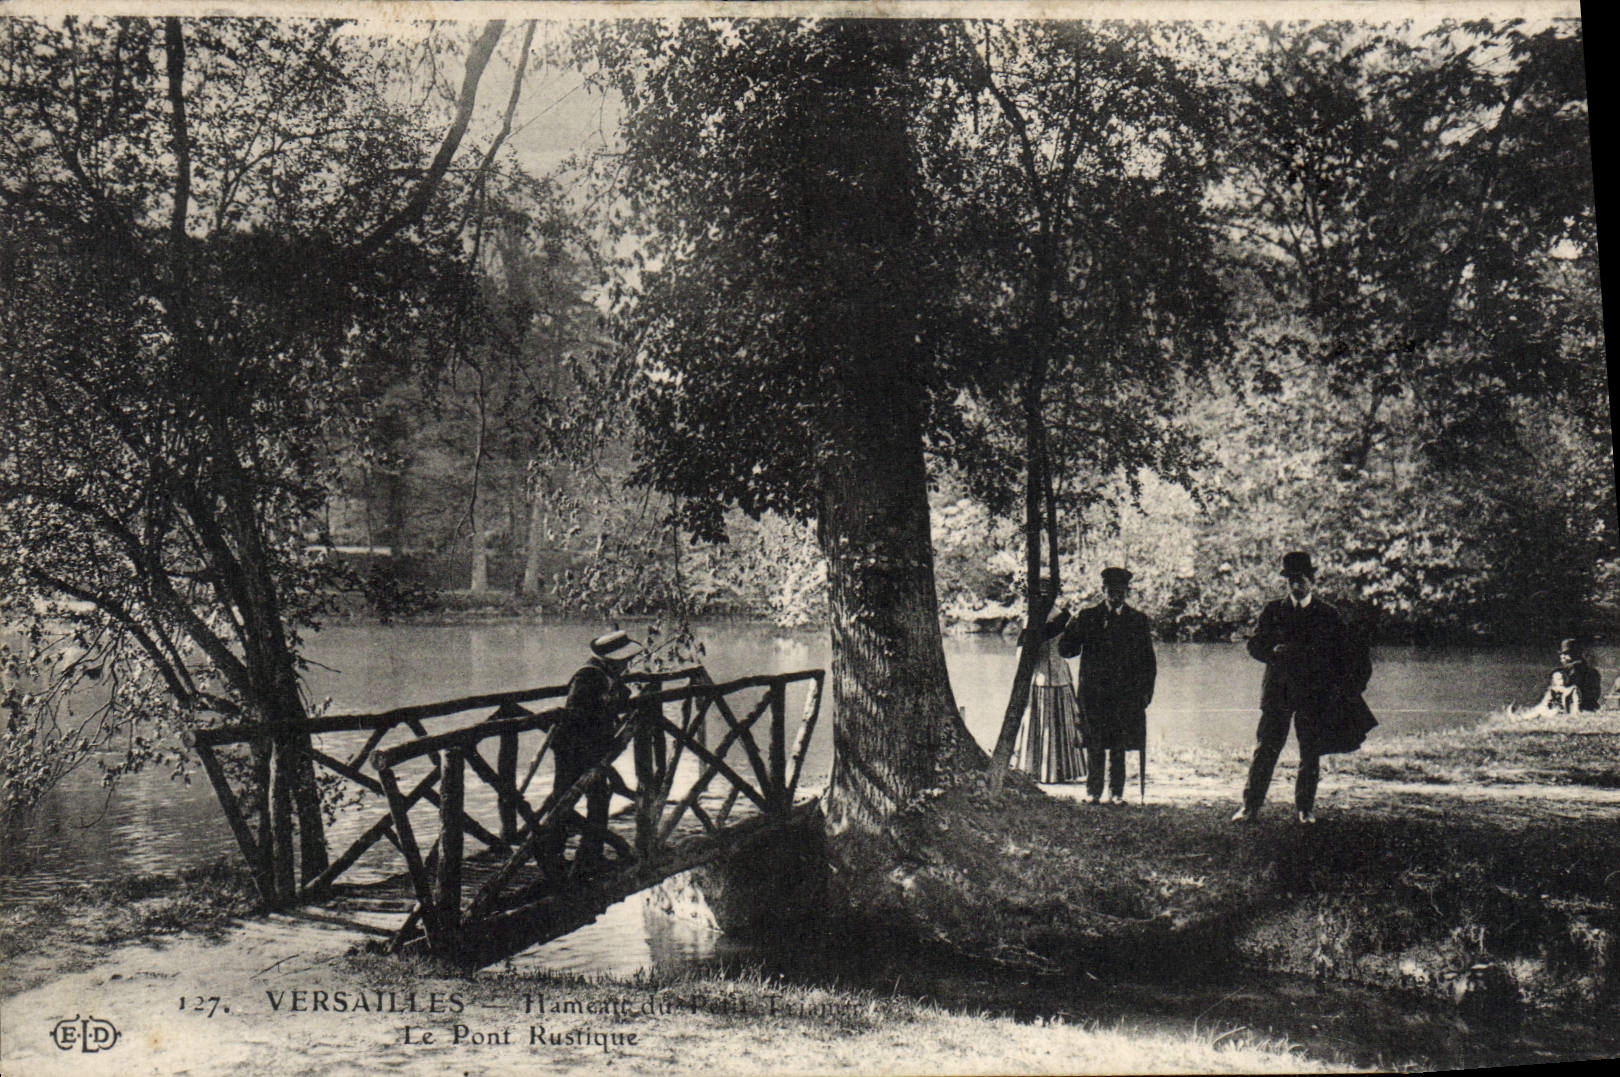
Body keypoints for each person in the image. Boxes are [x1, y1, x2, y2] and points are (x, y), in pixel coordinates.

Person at [1233, 551, 1358, 824]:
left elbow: (1343, 655)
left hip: (1312, 694)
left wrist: (1332, 681)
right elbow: (1254, 646)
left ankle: (1305, 809)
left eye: (1300, 579)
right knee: (1266, 749)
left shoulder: (1328, 615)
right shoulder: (1272, 611)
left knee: (1310, 752)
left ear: (1311, 580)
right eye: (1290, 580)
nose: (1295, 585)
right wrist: (1273, 652)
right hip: (1278, 691)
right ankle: (1250, 806)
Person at [1058, 566, 1156, 804]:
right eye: (1111, 591)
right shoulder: (1088, 616)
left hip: (1125, 696)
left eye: (1121, 591)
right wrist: (1070, 627)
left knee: (1119, 744)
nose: (1116, 596)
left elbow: (1148, 663)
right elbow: (1067, 650)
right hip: (1094, 694)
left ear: (1127, 592)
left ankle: (1117, 793)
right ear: (1103, 591)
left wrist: (1145, 695)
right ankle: (1093, 792)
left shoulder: (1138, 621)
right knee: (1095, 743)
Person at [553, 630, 639, 875]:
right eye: (624, 660)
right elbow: (576, 715)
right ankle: (553, 855)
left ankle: (589, 855)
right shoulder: (588, 676)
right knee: (564, 800)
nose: (627, 664)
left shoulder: (604, 676)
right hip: (574, 748)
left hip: (589, 748)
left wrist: (618, 697)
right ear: (611, 660)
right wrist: (610, 706)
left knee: (598, 798)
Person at [1013, 607, 1085, 783]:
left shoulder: (1060, 615)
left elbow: (1071, 650)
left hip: (1058, 677)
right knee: (1042, 723)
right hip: (1041, 678)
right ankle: (1041, 771)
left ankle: (1057, 771)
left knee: (1057, 723)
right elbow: (1022, 653)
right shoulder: (1033, 617)